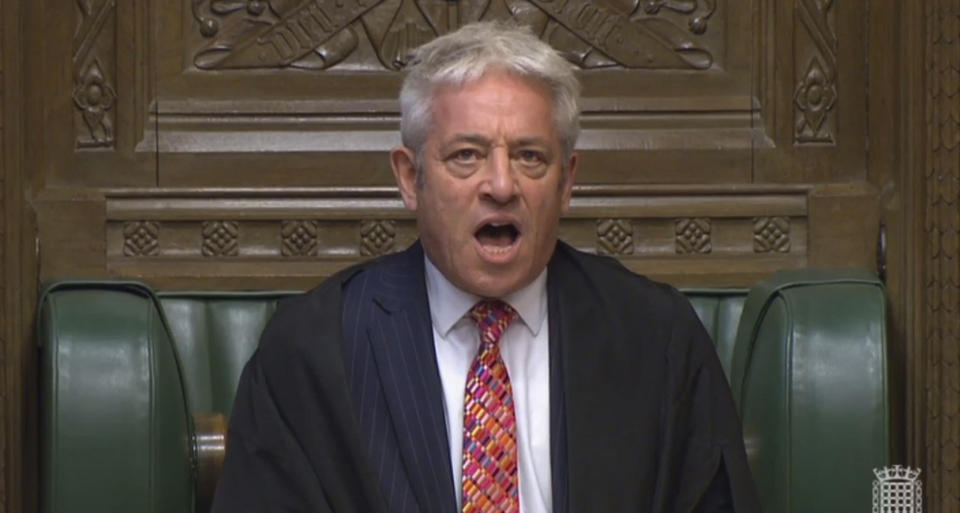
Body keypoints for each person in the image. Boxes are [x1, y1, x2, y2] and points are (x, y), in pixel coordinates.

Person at [212, 21, 760, 513]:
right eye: (466, 156)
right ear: (410, 178)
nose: (501, 186)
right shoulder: (311, 349)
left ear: (567, 181)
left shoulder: (657, 337)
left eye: (529, 157)